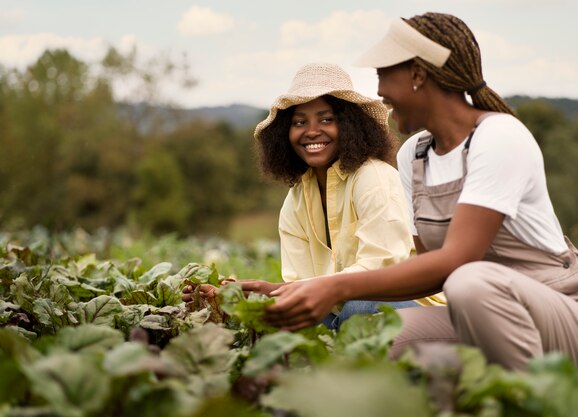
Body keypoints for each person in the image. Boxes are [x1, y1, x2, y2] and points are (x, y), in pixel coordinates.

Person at [262, 13, 578, 381]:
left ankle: (526, 396)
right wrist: (280, 292)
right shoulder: (414, 156)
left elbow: (457, 261)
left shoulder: (498, 138)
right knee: (378, 340)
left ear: (417, 75)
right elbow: (425, 275)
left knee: (469, 280)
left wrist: (335, 285)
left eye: (384, 74)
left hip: (566, 325)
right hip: (474, 317)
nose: (380, 90)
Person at [183, 62, 445, 330]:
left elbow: (380, 272)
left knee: (360, 306)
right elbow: (303, 290)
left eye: (326, 119)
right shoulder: (297, 198)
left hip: (407, 306)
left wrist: (272, 290)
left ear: (349, 125)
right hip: (342, 309)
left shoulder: (373, 176)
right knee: (293, 317)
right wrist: (237, 297)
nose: (311, 131)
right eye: (299, 122)